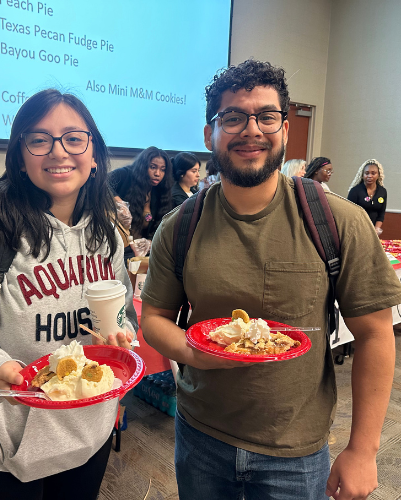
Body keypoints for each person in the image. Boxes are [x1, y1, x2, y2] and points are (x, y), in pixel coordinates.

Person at [140, 59, 401, 499]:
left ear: (284, 129)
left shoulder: (336, 220)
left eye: (266, 117)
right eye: (233, 118)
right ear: (210, 133)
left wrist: (363, 449)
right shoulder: (180, 225)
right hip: (200, 437)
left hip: (295, 453)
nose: (251, 130)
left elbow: (375, 333)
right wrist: (196, 354)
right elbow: (153, 318)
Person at [0, 89, 138, 500]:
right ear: (19, 156)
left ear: (94, 155)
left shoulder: (107, 235)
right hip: (5, 452)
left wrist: (118, 336)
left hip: (89, 435)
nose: (58, 151)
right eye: (39, 139)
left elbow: (121, 316)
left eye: (73, 138)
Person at [108, 146, 173, 260]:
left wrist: (150, 242)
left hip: (140, 252)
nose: (158, 173)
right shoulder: (125, 175)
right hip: (117, 247)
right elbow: (100, 184)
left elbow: (162, 224)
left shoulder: (161, 190)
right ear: (143, 166)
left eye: (163, 169)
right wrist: (120, 204)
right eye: (153, 167)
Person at [347, 159, 387, 236]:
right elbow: (350, 214)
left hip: (373, 231)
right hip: (356, 231)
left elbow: (381, 213)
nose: (369, 176)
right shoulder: (355, 191)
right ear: (362, 175)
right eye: (366, 173)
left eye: (373, 173)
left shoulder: (382, 191)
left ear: (378, 175)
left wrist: (376, 229)